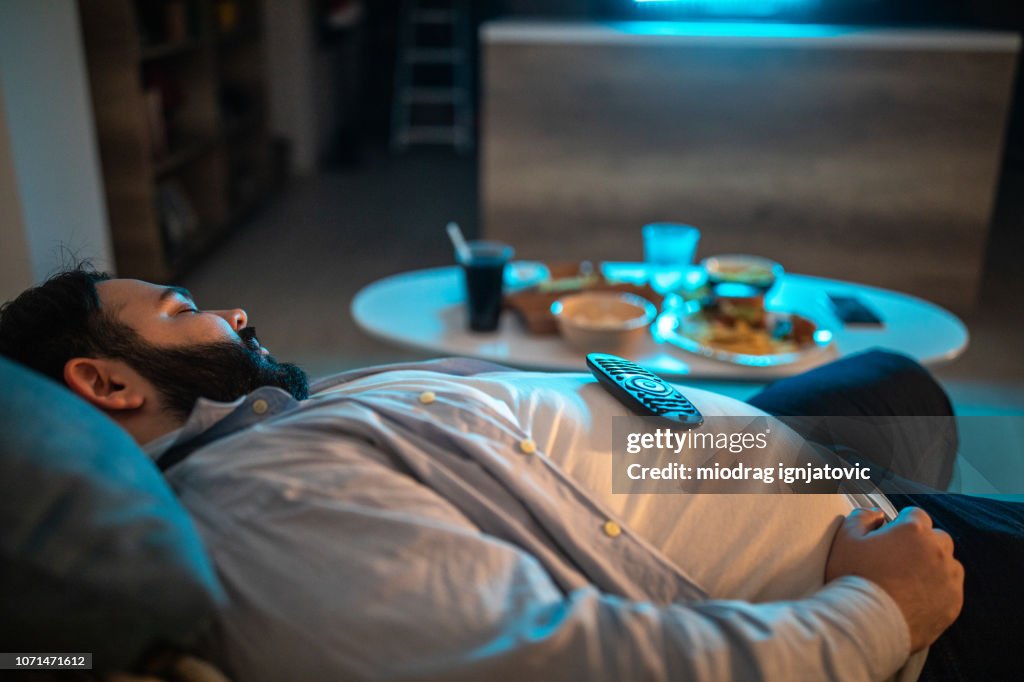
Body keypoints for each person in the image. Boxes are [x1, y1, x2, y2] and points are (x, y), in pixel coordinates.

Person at [0, 267, 1018, 682]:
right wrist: (882, 609)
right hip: (887, 566)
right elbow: (575, 662)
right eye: (182, 309)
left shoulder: (273, 429)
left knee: (888, 372)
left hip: (749, 460)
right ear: (106, 381)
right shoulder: (256, 508)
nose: (236, 317)